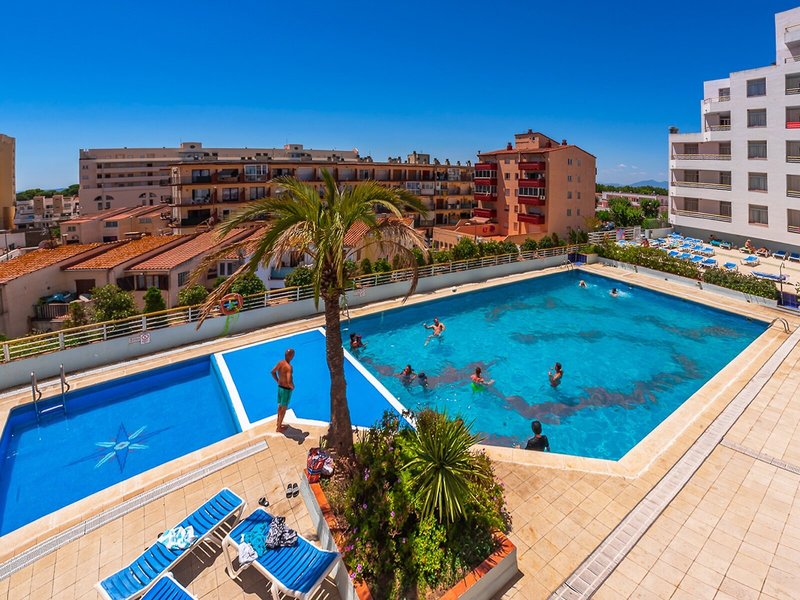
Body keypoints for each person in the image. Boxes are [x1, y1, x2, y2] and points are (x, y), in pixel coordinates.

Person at [271, 348, 295, 432]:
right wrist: (292, 387)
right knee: (283, 409)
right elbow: (289, 381)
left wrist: (277, 380)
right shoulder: (289, 367)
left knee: (280, 407)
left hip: (280, 388)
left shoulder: (280, 363)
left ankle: (278, 423)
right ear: (291, 356)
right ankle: (279, 428)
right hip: (286, 390)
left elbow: (272, 372)